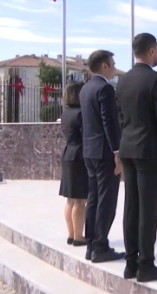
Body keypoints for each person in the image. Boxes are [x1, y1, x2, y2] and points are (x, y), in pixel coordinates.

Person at [116, 33, 157, 282]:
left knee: (131, 207)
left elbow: (121, 117)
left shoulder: (123, 81)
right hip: (150, 153)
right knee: (148, 210)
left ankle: (130, 264)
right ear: (151, 51)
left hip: (128, 150)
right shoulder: (156, 80)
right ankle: (146, 265)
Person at [79, 50, 125, 263]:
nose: (115, 68)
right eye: (113, 64)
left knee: (94, 199)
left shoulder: (85, 88)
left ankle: (91, 245)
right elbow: (109, 122)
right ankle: (100, 246)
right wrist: (117, 152)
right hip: (105, 153)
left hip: (89, 151)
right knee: (106, 200)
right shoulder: (105, 88)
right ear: (104, 66)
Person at [59, 81, 89, 246]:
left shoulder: (66, 113)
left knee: (70, 199)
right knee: (80, 200)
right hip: (80, 157)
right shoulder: (81, 114)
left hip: (68, 154)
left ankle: (71, 234)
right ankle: (79, 236)